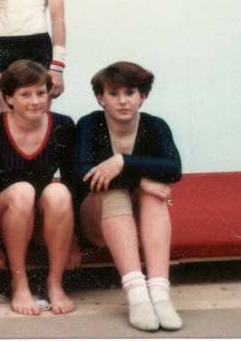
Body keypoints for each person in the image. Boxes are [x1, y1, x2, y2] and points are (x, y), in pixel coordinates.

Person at [75, 61, 183, 331]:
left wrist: (122, 162)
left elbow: (174, 170)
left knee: (157, 194)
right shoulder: (89, 124)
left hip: (139, 222)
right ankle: (137, 295)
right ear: (101, 98)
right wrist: (139, 179)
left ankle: (159, 294)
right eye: (113, 94)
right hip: (96, 220)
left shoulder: (155, 125)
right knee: (112, 187)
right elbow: (81, 174)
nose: (122, 101)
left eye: (130, 93)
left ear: (142, 96)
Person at [0, 60, 77, 316]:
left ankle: (55, 283)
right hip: (5, 212)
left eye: (41, 93)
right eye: (25, 94)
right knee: (23, 190)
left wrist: (73, 238)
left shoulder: (63, 126)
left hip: (44, 218)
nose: (35, 101)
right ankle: (19, 282)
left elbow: (72, 181)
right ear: (9, 98)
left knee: (58, 191)